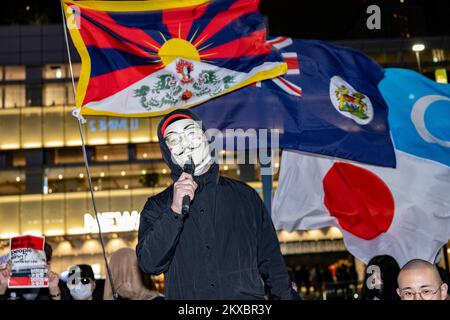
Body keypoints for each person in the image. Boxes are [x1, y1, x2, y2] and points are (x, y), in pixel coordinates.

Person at [136, 109, 296, 300]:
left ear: (204, 137)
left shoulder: (244, 197)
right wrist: (174, 211)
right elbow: (150, 263)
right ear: (167, 152)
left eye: (191, 133)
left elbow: (272, 263)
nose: (185, 145)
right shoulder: (157, 207)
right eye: (174, 140)